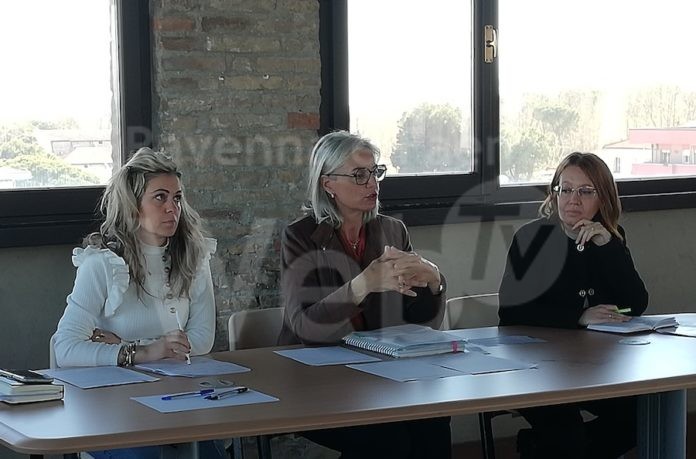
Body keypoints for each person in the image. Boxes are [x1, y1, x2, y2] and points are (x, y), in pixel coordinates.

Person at [278, 130, 451, 459]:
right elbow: (304, 325)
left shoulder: (392, 230)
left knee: (434, 419)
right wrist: (363, 284)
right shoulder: (300, 237)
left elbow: (419, 324)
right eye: (359, 175)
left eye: (375, 172)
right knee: (387, 439)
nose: (372, 183)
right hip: (318, 379)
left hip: (382, 373)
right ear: (328, 184)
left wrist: (434, 282)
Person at [53, 147, 223, 459]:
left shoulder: (194, 258)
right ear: (133, 207)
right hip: (111, 407)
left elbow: (202, 339)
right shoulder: (102, 264)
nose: (172, 208)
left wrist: (126, 346)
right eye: (160, 197)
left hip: (176, 397)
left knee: (209, 452)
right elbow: (64, 348)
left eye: (177, 198)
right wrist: (146, 352)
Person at [498, 152, 649, 459]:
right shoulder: (532, 238)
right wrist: (579, 316)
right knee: (566, 433)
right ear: (554, 193)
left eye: (585, 191)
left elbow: (636, 304)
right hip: (537, 366)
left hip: (596, 365)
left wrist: (609, 249)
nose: (573, 200)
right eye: (565, 189)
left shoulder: (609, 237)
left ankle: (536, 448)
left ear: (603, 198)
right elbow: (511, 311)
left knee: (639, 413)